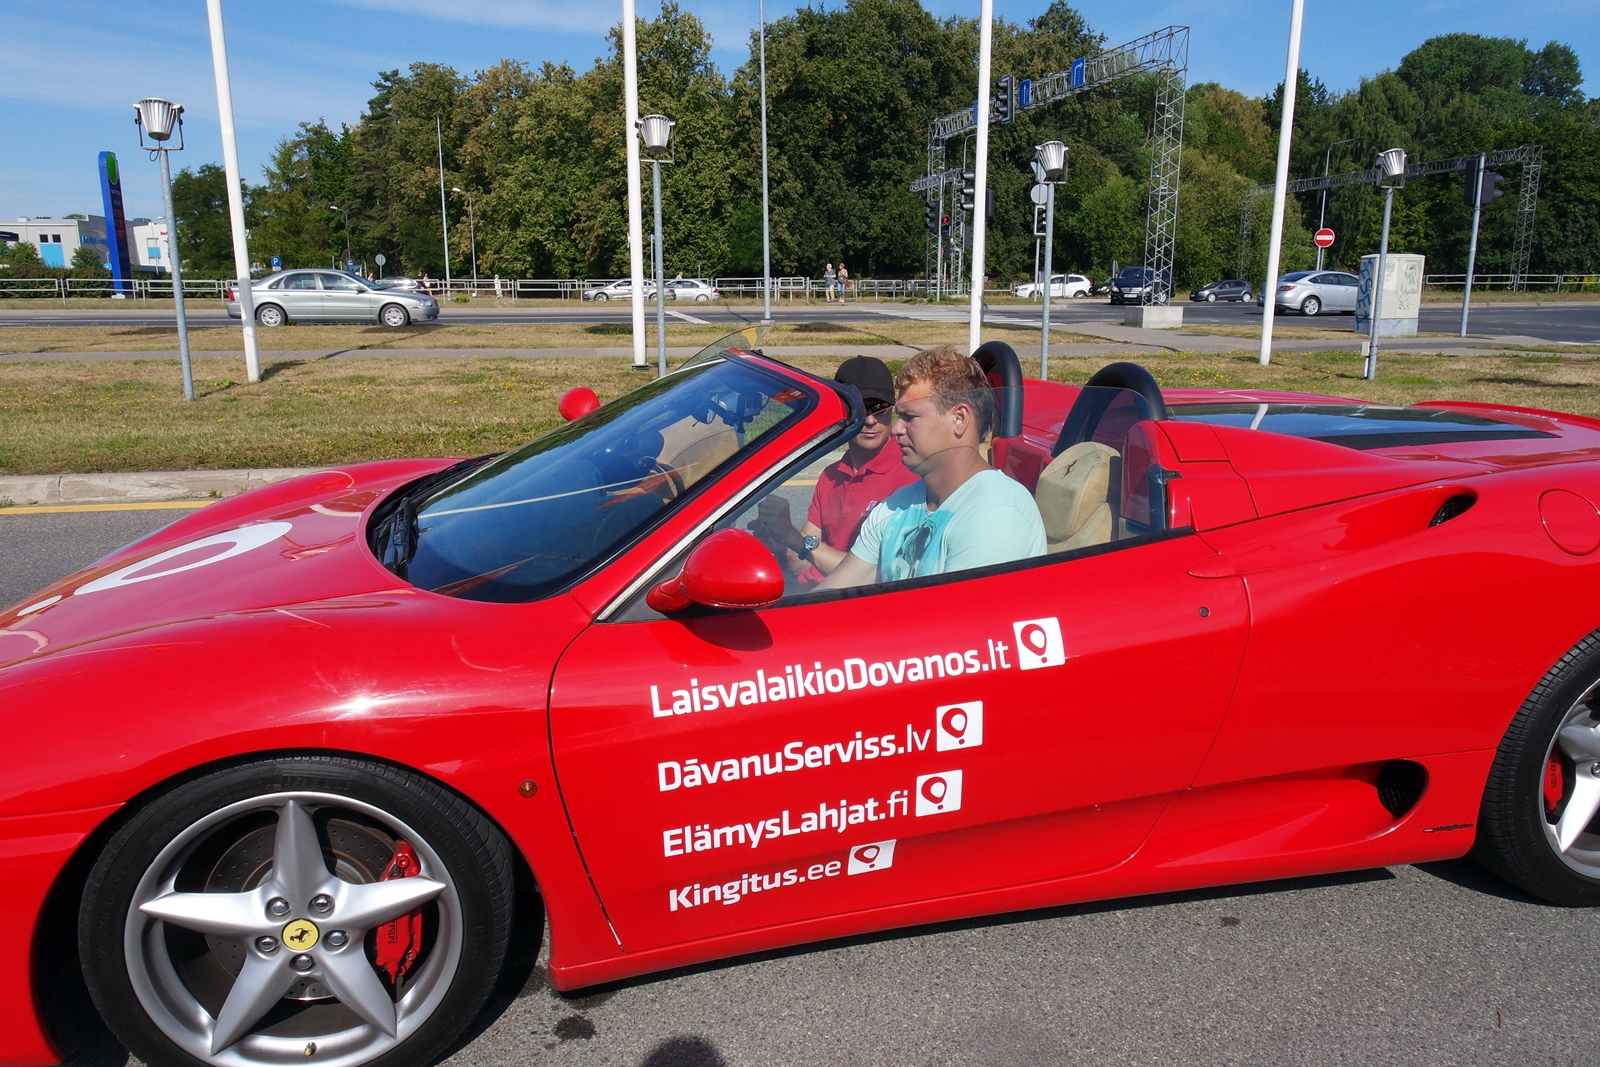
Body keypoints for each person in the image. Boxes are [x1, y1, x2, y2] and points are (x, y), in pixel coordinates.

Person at [822, 346, 1045, 587]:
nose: (896, 429)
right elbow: (833, 591)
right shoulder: (896, 506)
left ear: (959, 419)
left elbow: (958, 611)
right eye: (899, 416)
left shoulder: (996, 512)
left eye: (910, 417)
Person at [750, 356, 916, 587]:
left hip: (856, 601)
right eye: (861, 409)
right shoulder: (830, 476)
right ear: (842, 410)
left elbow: (872, 575)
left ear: (893, 407)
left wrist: (791, 536)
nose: (870, 420)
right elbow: (806, 558)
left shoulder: (910, 476)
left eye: (880, 408)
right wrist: (779, 543)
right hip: (819, 593)